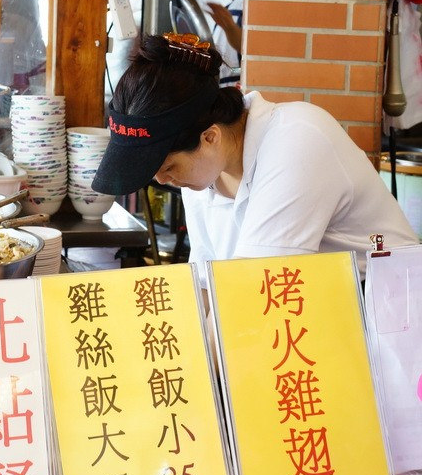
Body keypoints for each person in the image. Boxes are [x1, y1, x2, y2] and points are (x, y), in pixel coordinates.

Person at [92, 32, 417, 286]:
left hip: (384, 317)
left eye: (167, 167)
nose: (163, 181)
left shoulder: (298, 138)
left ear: (210, 136)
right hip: (313, 313)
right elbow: (207, 286)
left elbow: (256, 291)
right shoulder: (202, 175)